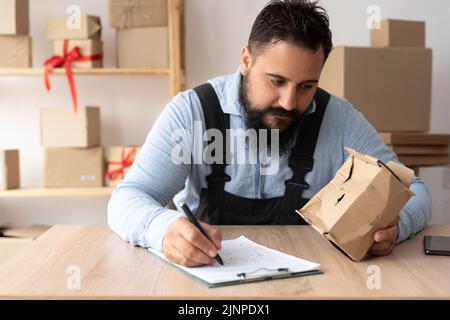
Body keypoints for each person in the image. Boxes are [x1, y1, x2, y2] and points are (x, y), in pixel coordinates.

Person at [108, 0, 432, 267]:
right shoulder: (192, 111)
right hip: (208, 284)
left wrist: (397, 225)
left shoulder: (338, 117)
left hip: (309, 285)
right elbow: (129, 196)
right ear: (246, 59)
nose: (290, 102)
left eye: (307, 86)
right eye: (276, 81)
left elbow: (414, 188)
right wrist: (161, 228)